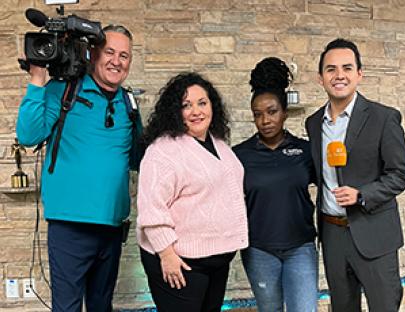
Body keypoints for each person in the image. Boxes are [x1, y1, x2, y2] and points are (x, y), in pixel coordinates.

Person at [16, 25, 141, 312]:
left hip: (111, 227)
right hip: (70, 228)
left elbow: (139, 158)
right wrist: (37, 77)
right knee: (68, 308)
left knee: (101, 306)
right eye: (110, 52)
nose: (116, 61)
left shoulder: (128, 103)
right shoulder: (63, 90)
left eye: (124, 55)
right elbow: (28, 135)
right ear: (93, 53)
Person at [305, 38, 405, 312]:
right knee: (342, 308)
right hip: (332, 234)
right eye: (330, 69)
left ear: (359, 74)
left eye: (346, 68)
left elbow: (400, 173)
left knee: (384, 307)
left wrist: (362, 194)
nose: (338, 75)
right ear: (321, 78)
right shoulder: (314, 123)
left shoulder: (383, 117)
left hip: (373, 232)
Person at [137, 72, 248, 312]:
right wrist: (166, 255)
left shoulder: (218, 144)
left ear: (212, 106)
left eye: (202, 103)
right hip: (180, 262)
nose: (196, 111)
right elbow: (151, 208)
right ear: (174, 112)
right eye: (186, 105)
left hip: (216, 260)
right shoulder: (162, 151)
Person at [233, 57, 318, 312]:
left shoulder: (305, 150)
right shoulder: (239, 155)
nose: (265, 120)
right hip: (258, 250)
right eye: (257, 115)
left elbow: (332, 185)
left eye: (272, 112)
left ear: (284, 112)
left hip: (300, 248)